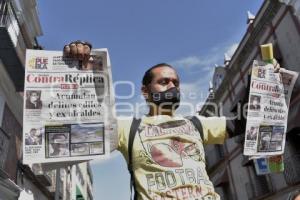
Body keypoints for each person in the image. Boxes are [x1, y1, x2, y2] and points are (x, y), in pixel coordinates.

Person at [63, 41, 280, 200]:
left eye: (176, 82)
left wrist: (261, 83)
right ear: (145, 91)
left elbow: (241, 122)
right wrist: (80, 67)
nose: (172, 87)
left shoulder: (196, 124)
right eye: (164, 81)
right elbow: (75, 137)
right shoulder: (126, 128)